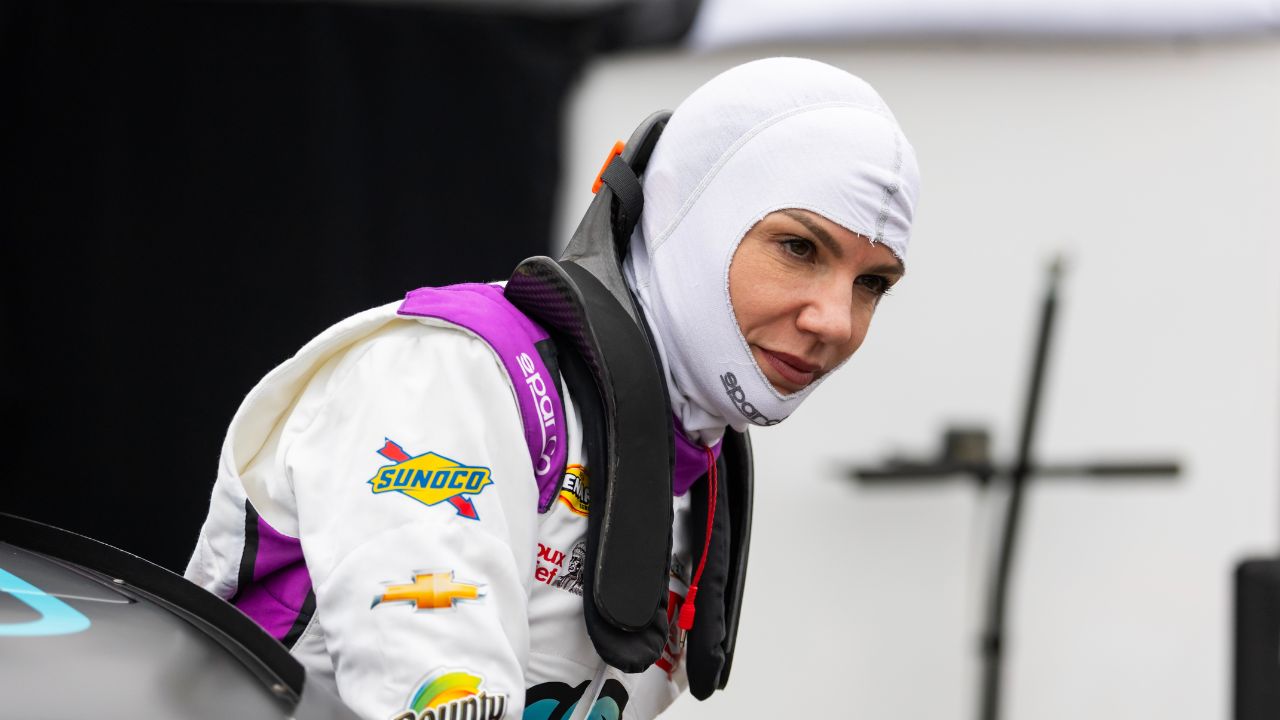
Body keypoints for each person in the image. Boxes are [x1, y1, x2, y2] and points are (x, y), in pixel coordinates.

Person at [186, 57, 920, 720]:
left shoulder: (692, 454)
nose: (835, 321)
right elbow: (438, 698)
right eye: (798, 248)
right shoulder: (453, 372)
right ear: (690, 215)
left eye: (872, 285)